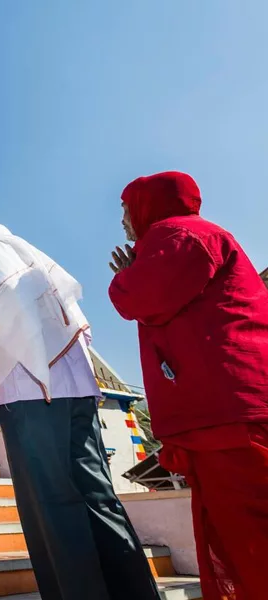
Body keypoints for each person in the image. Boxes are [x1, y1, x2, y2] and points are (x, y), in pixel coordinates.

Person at [0, 223, 159, 600]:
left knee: (51, 504)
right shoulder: (35, 263)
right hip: (75, 391)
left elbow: (5, 309)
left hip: (31, 394)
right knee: (97, 495)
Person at [108, 171, 268, 600]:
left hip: (228, 409)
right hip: (225, 406)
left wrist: (129, 276)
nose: (124, 220)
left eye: (127, 208)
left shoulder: (177, 235)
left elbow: (137, 297)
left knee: (251, 535)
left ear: (149, 205)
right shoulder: (178, 238)